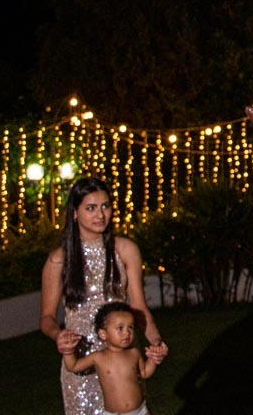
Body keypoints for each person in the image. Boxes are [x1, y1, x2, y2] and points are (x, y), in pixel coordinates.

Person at [41, 176, 169, 414]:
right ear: (75, 213)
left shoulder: (125, 250)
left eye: (105, 206)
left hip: (123, 357)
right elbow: (46, 317)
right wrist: (58, 335)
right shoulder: (58, 259)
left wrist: (156, 341)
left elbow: (139, 307)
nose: (100, 214)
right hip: (81, 361)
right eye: (91, 208)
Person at [62, 302, 164, 415]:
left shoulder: (134, 353)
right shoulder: (98, 357)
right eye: (120, 328)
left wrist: (153, 359)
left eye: (130, 327)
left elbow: (144, 372)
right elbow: (73, 366)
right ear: (103, 334)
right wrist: (68, 352)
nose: (127, 332)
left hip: (140, 411)